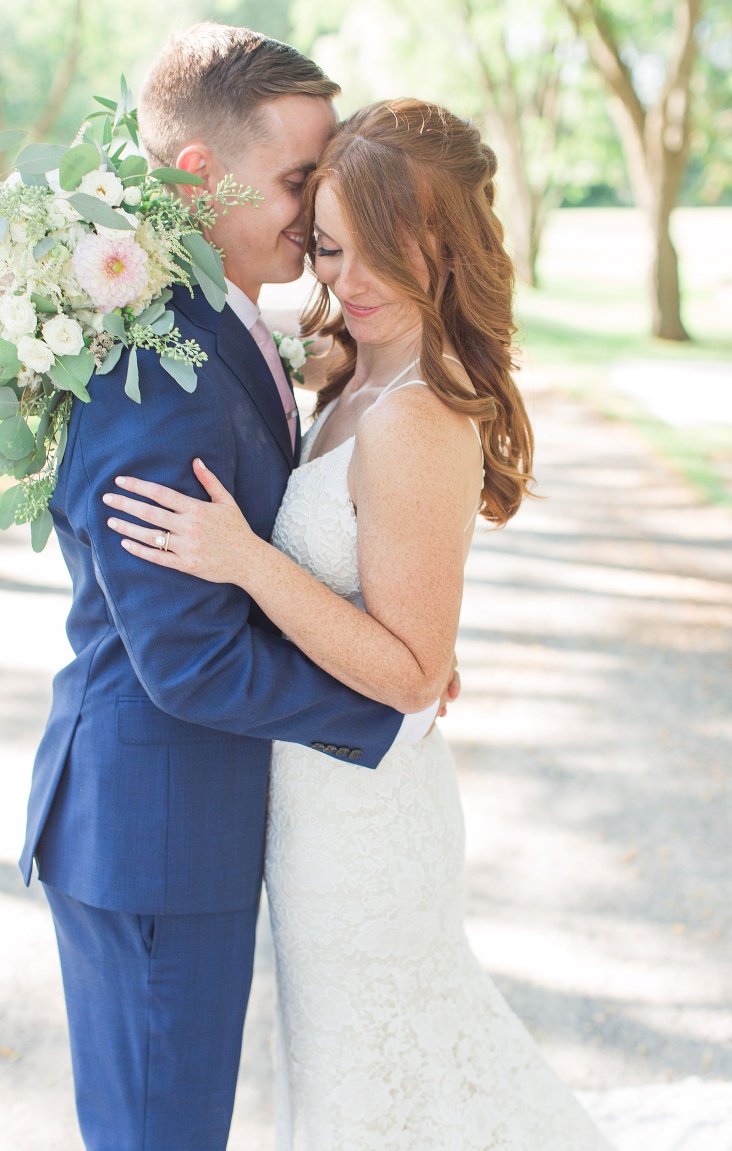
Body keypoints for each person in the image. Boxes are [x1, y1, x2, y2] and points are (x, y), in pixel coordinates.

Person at [104, 99, 614, 1149]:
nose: (353, 281)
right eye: (333, 249)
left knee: (381, 1091)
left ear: (450, 246)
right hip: (313, 803)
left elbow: (414, 676)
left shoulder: (421, 410)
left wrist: (245, 558)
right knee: (357, 1083)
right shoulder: (346, 360)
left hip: (369, 822)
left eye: (388, 253)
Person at [19, 27, 450, 1151]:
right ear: (203, 179)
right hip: (154, 829)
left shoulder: (218, 325)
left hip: (170, 819)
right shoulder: (162, 373)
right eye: (301, 181)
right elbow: (191, 654)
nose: (318, 216)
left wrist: (381, 629)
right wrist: (388, 697)